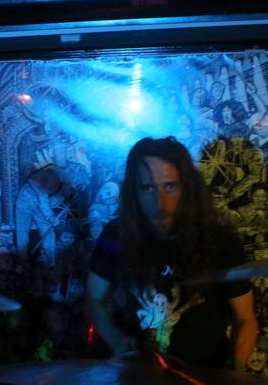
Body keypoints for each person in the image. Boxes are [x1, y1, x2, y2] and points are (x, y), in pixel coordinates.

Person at [85, 137, 258, 370]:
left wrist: (233, 374)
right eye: (148, 188)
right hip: (138, 376)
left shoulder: (221, 240)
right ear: (134, 191)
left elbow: (245, 319)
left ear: (187, 188)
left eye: (170, 187)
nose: (161, 203)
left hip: (203, 381)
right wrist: (117, 342)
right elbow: (94, 300)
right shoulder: (116, 234)